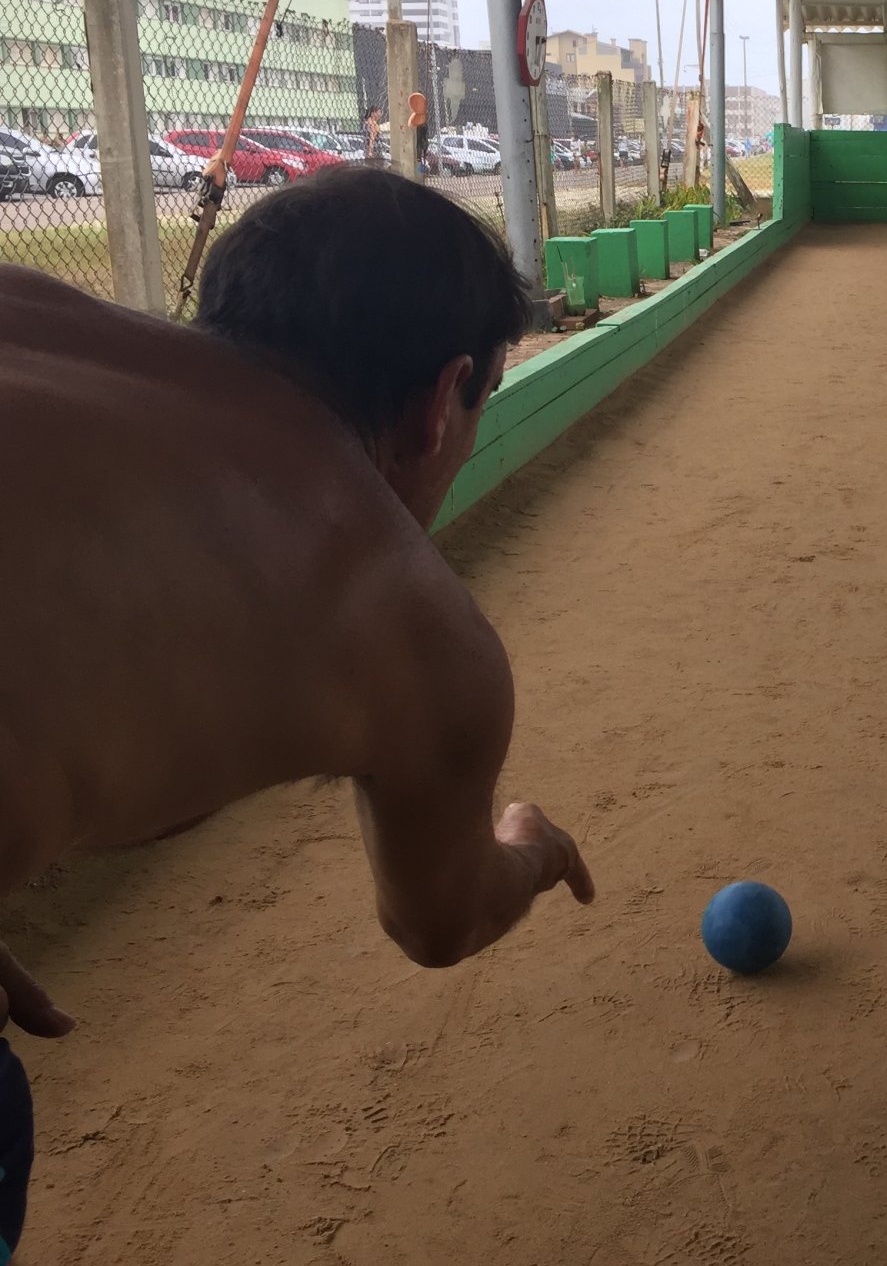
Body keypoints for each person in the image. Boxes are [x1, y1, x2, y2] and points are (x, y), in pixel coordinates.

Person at [0, 170, 593, 1259]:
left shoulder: (23, 302)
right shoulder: (413, 623)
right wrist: (532, 848)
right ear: (440, 400)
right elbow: (440, 921)